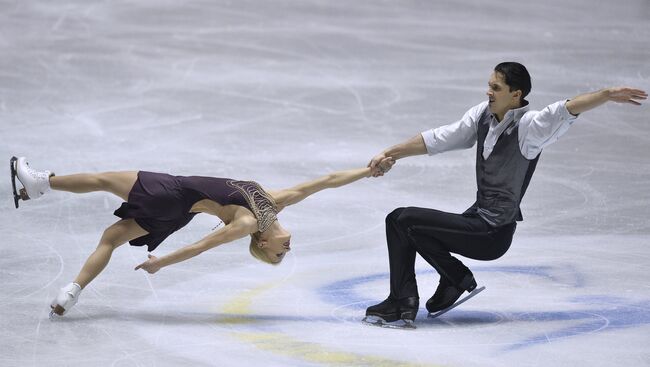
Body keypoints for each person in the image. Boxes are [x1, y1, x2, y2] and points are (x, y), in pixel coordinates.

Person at [363, 61, 647, 327]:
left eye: (496, 88)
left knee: (401, 219)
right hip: (477, 219)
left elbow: (567, 108)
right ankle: (450, 280)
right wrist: (391, 153)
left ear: (516, 94)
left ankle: (409, 299)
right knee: (410, 227)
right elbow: (441, 137)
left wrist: (607, 94)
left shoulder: (530, 128)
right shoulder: (482, 116)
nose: (489, 92)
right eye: (489, 85)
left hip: (492, 232)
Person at [10, 156, 394, 317]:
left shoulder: (246, 224)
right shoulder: (274, 204)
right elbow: (325, 183)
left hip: (173, 193)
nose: (285, 250)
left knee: (102, 180)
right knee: (110, 238)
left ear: (262, 242)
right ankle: (71, 292)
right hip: (176, 213)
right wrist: (368, 171)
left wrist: (162, 263)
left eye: (277, 255)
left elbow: (201, 246)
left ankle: (41, 182)